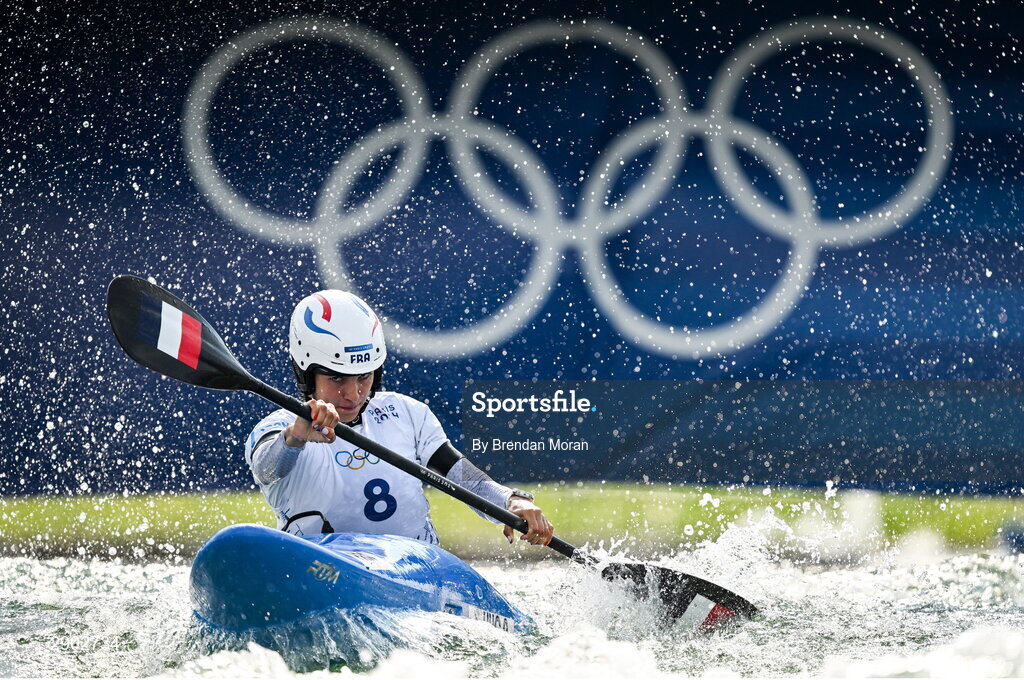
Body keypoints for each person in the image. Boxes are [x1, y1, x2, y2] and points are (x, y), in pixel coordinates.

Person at [244, 289, 554, 547]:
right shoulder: (277, 430)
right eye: (337, 379)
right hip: (320, 570)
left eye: (363, 377)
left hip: (415, 570)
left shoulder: (407, 414)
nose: (353, 394)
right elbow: (267, 468)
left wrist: (511, 500)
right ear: (307, 375)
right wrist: (295, 437)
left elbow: (461, 476)